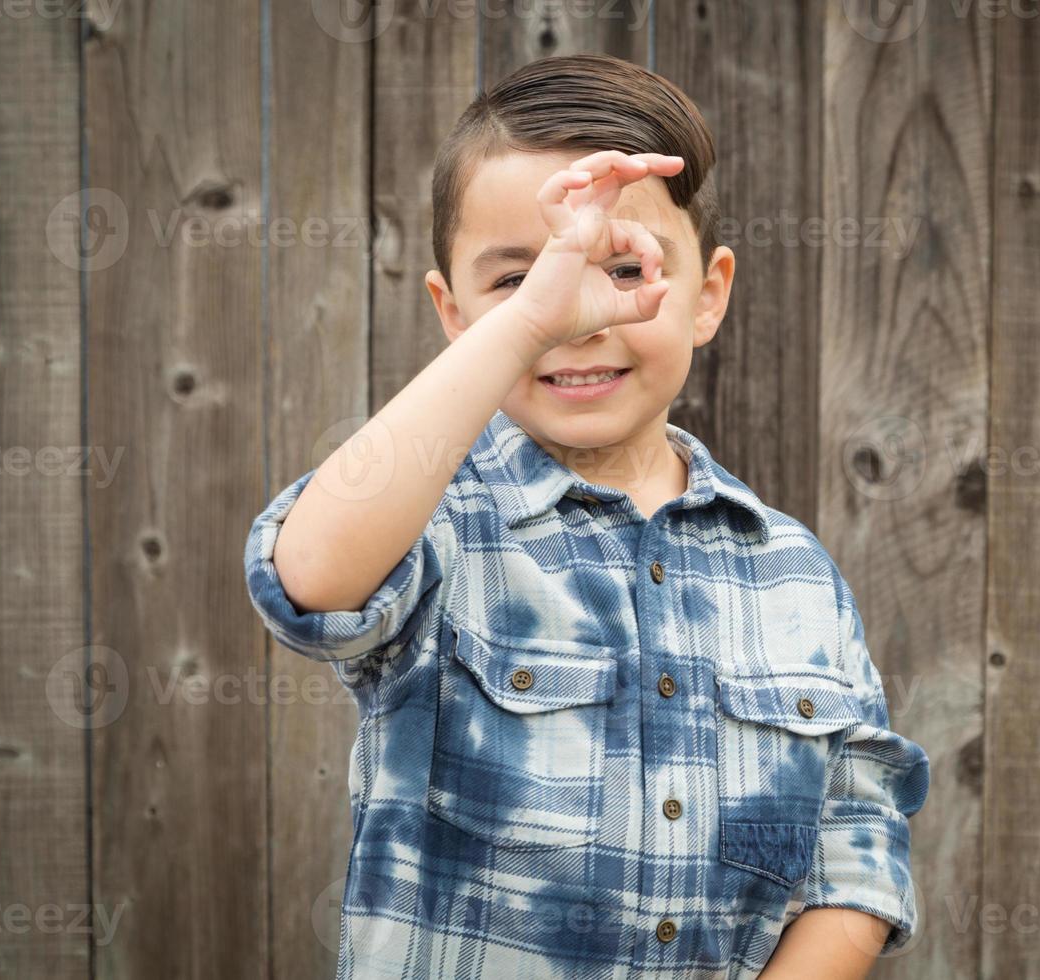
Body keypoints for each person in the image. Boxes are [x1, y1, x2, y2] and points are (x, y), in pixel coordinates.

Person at [243, 51, 929, 980]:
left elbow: (858, 842)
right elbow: (309, 584)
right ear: (453, 315)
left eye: (622, 266)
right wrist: (526, 324)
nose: (574, 314)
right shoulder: (438, 519)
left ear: (709, 294)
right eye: (517, 283)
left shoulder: (794, 572)